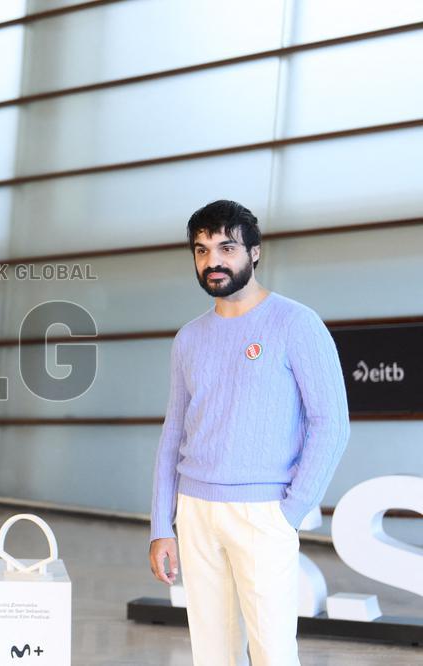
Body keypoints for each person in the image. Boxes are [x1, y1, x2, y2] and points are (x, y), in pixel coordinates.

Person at [148, 200, 350, 665]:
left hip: (264, 512)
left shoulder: (296, 324)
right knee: (211, 651)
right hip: (196, 511)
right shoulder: (189, 338)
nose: (212, 261)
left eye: (227, 247)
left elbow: (331, 423)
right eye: (201, 250)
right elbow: (173, 433)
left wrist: (291, 510)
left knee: (272, 651)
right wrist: (161, 526)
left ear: (254, 253)